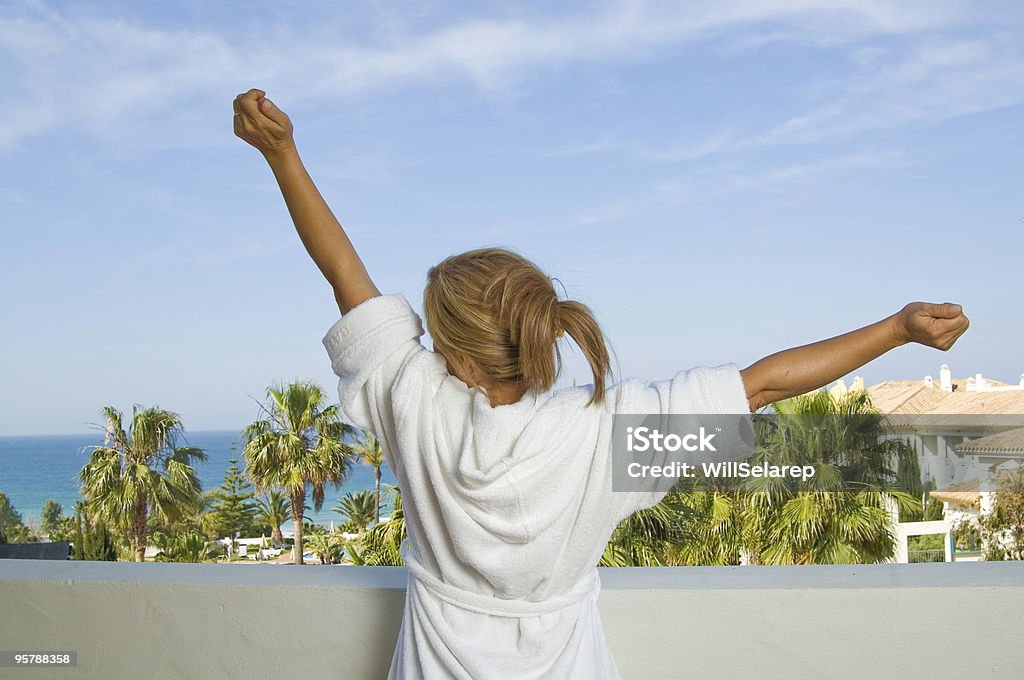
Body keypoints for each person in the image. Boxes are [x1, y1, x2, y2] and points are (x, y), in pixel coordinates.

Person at [233, 88, 970, 679]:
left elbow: (346, 280)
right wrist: (899, 329)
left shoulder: (413, 404)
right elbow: (763, 387)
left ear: (453, 356)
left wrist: (283, 154)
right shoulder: (599, 437)